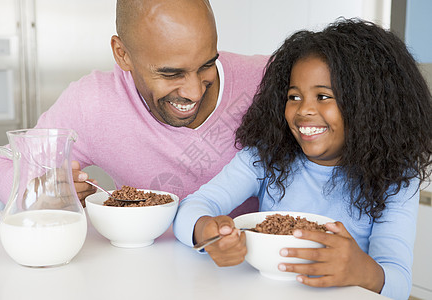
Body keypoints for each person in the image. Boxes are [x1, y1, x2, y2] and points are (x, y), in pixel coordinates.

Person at [173, 18, 432, 299]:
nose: (303, 110)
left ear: (369, 105)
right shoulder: (266, 156)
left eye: (323, 96)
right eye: (294, 96)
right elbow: (194, 206)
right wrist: (208, 233)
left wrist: (362, 270)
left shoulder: (395, 179)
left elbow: (398, 283)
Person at [0, 0, 267, 215]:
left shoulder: (268, 80)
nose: (194, 91)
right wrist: (35, 194)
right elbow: (3, 163)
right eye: (171, 74)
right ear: (122, 54)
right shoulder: (94, 103)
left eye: (207, 64)